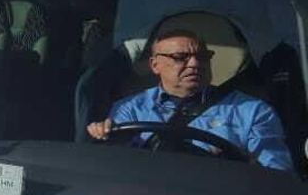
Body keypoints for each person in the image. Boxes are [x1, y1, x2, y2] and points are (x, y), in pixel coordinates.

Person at [87, 29, 292, 170]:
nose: (195, 64)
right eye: (180, 57)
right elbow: (113, 168)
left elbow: (276, 177)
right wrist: (104, 138)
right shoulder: (128, 109)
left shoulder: (253, 111)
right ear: (154, 64)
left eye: (203, 56)